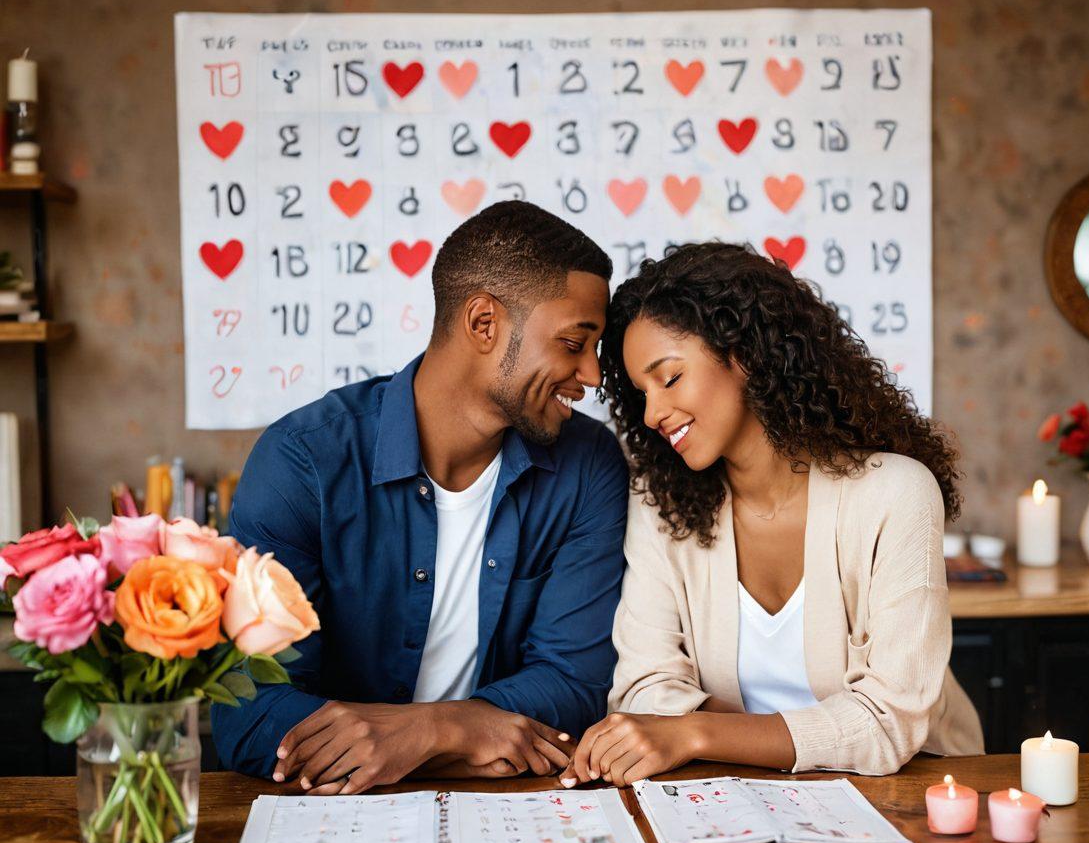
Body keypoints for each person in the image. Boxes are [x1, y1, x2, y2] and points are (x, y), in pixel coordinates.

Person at [212, 201, 628, 795]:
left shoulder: (588, 466)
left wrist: (433, 731)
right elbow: (248, 710)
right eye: (572, 343)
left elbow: (576, 683)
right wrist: (466, 740)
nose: (591, 376)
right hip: (335, 821)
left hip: (510, 811)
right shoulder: (303, 461)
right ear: (484, 323)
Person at [559, 242, 984, 789]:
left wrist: (697, 734)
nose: (653, 413)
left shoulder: (895, 493)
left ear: (745, 355)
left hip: (917, 796)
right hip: (737, 797)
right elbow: (644, 686)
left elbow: (889, 723)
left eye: (668, 379)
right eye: (640, 392)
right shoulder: (660, 504)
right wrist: (796, 740)